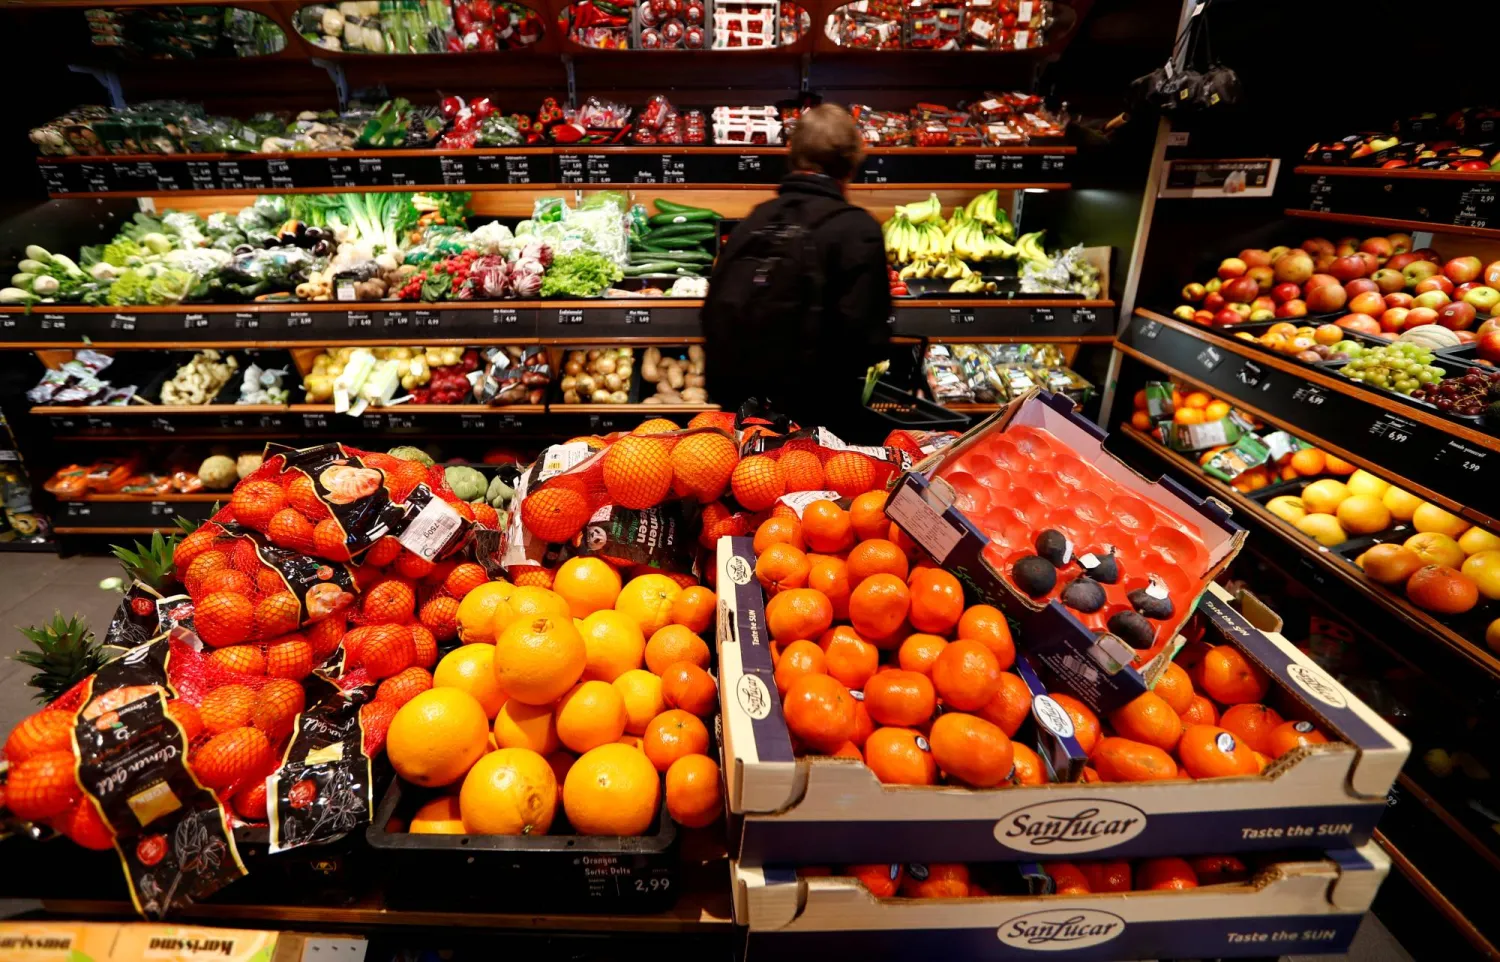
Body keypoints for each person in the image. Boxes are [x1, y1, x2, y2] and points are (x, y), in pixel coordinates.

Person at [701, 103, 892, 437]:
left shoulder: (753, 221)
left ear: (793, 154)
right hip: (819, 428)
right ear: (850, 165)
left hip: (745, 425)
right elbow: (870, 339)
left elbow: (714, 315)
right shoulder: (857, 230)